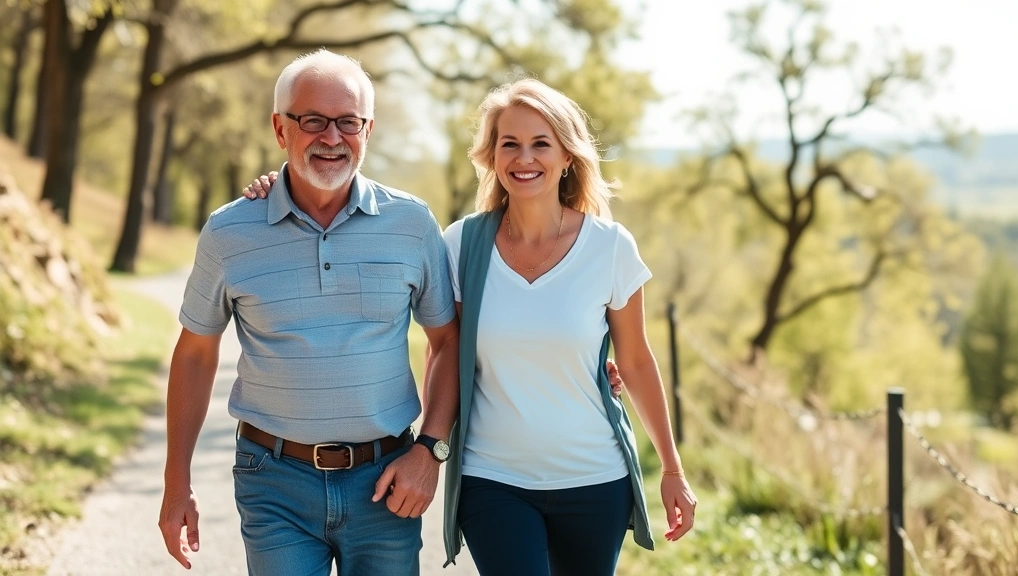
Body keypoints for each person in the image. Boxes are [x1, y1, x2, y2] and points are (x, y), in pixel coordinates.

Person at [246, 78, 697, 576]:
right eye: (510, 144)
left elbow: (634, 361)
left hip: (595, 480)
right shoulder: (461, 245)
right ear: (492, 156)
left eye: (540, 143)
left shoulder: (609, 248)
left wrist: (672, 469)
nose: (524, 158)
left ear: (567, 155)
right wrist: (278, 182)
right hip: (493, 480)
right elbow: (443, 348)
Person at [158, 49, 460, 576]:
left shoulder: (411, 224)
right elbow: (195, 356)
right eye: (313, 121)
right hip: (273, 478)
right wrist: (175, 481)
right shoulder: (231, 232)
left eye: (348, 122)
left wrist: (430, 451)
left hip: (386, 479)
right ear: (280, 129)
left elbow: (448, 343)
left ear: (368, 129)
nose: (332, 137)